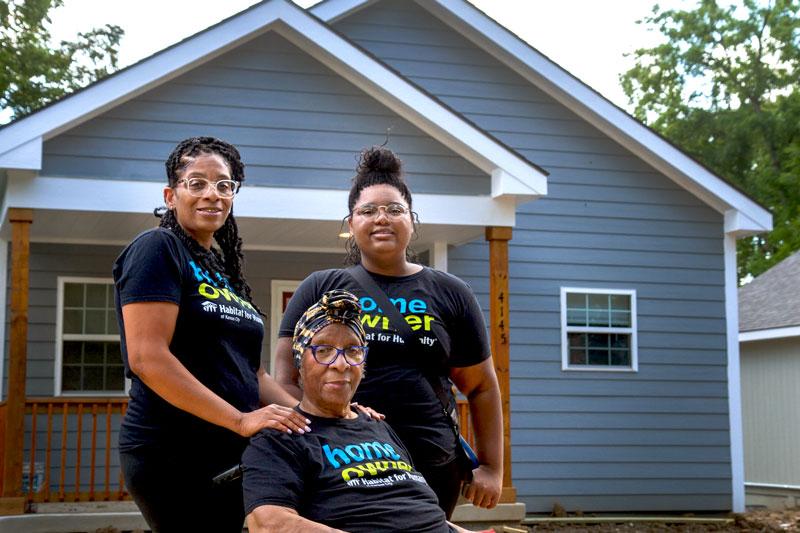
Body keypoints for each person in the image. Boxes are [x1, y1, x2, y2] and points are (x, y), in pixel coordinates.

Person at [275, 146, 503, 517]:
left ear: (412, 221)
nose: (382, 218)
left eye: (394, 210)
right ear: (350, 224)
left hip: (431, 463)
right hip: (343, 461)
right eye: (368, 211)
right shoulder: (320, 287)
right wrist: (325, 428)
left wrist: (492, 468)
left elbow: (481, 386)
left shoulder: (451, 292)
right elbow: (286, 381)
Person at [113, 136, 311, 533]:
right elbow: (148, 357)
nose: (213, 194)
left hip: (230, 449)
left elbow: (254, 377)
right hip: (172, 451)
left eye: (224, 185)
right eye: (197, 183)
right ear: (171, 195)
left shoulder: (222, 272)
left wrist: (312, 416)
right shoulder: (158, 248)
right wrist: (240, 420)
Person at [244, 290, 476, 533]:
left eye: (353, 350)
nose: (341, 363)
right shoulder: (280, 438)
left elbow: (416, 509)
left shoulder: (378, 425)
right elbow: (269, 524)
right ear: (300, 362)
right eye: (323, 350)